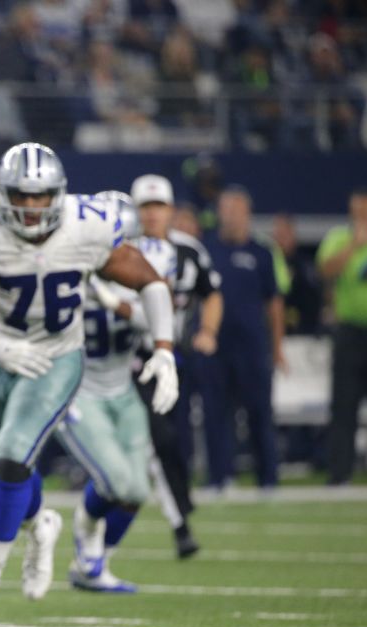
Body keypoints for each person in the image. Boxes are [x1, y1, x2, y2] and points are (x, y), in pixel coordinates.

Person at [0, 143, 179, 627]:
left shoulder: (87, 226)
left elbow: (151, 282)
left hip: (57, 356)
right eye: (20, 196)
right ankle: (39, 525)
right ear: (2, 194)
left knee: (10, 454)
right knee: (8, 466)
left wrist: (165, 349)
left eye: (40, 196)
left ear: (58, 195)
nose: (30, 207)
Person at [54, 191, 171, 593]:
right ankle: (87, 548)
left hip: (122, 390)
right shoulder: (65, 266)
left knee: (136, 492)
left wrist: (113, 301)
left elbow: (155, 315)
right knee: (115, 484)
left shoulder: (143, 269)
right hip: (79, 392)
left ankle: (92, 564)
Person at [131, 173, 222, 558]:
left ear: (170, 210)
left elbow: (211, 293)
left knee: (176, 441)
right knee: (158, 441)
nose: (152, 214)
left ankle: (181, 505)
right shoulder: (124, 250)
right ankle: (180, 522)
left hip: (177, 358)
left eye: (158, 206)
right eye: (145, 207)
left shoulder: (189, 251)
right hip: (133, 362)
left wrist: (208, 332)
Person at [201, 186, 285, 490]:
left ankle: (268, 478)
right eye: (227, 210)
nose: (232, 216)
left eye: (238, 210)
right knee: (216, 415)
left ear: (247, 214)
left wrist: (277, 348)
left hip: (252, 347)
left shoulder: (262, 252)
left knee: (260, 413)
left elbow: (274, 303)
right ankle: (219, 477)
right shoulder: (207, 250)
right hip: (217, 347)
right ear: (219, 213)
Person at [317, 189, 367, 485]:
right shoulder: (340, 238)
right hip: (349, 332)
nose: (360, 216)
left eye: (365, 210)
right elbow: (325, 270)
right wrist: (355, 244)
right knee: (344, 405)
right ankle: (340, 474)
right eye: (355, 210)